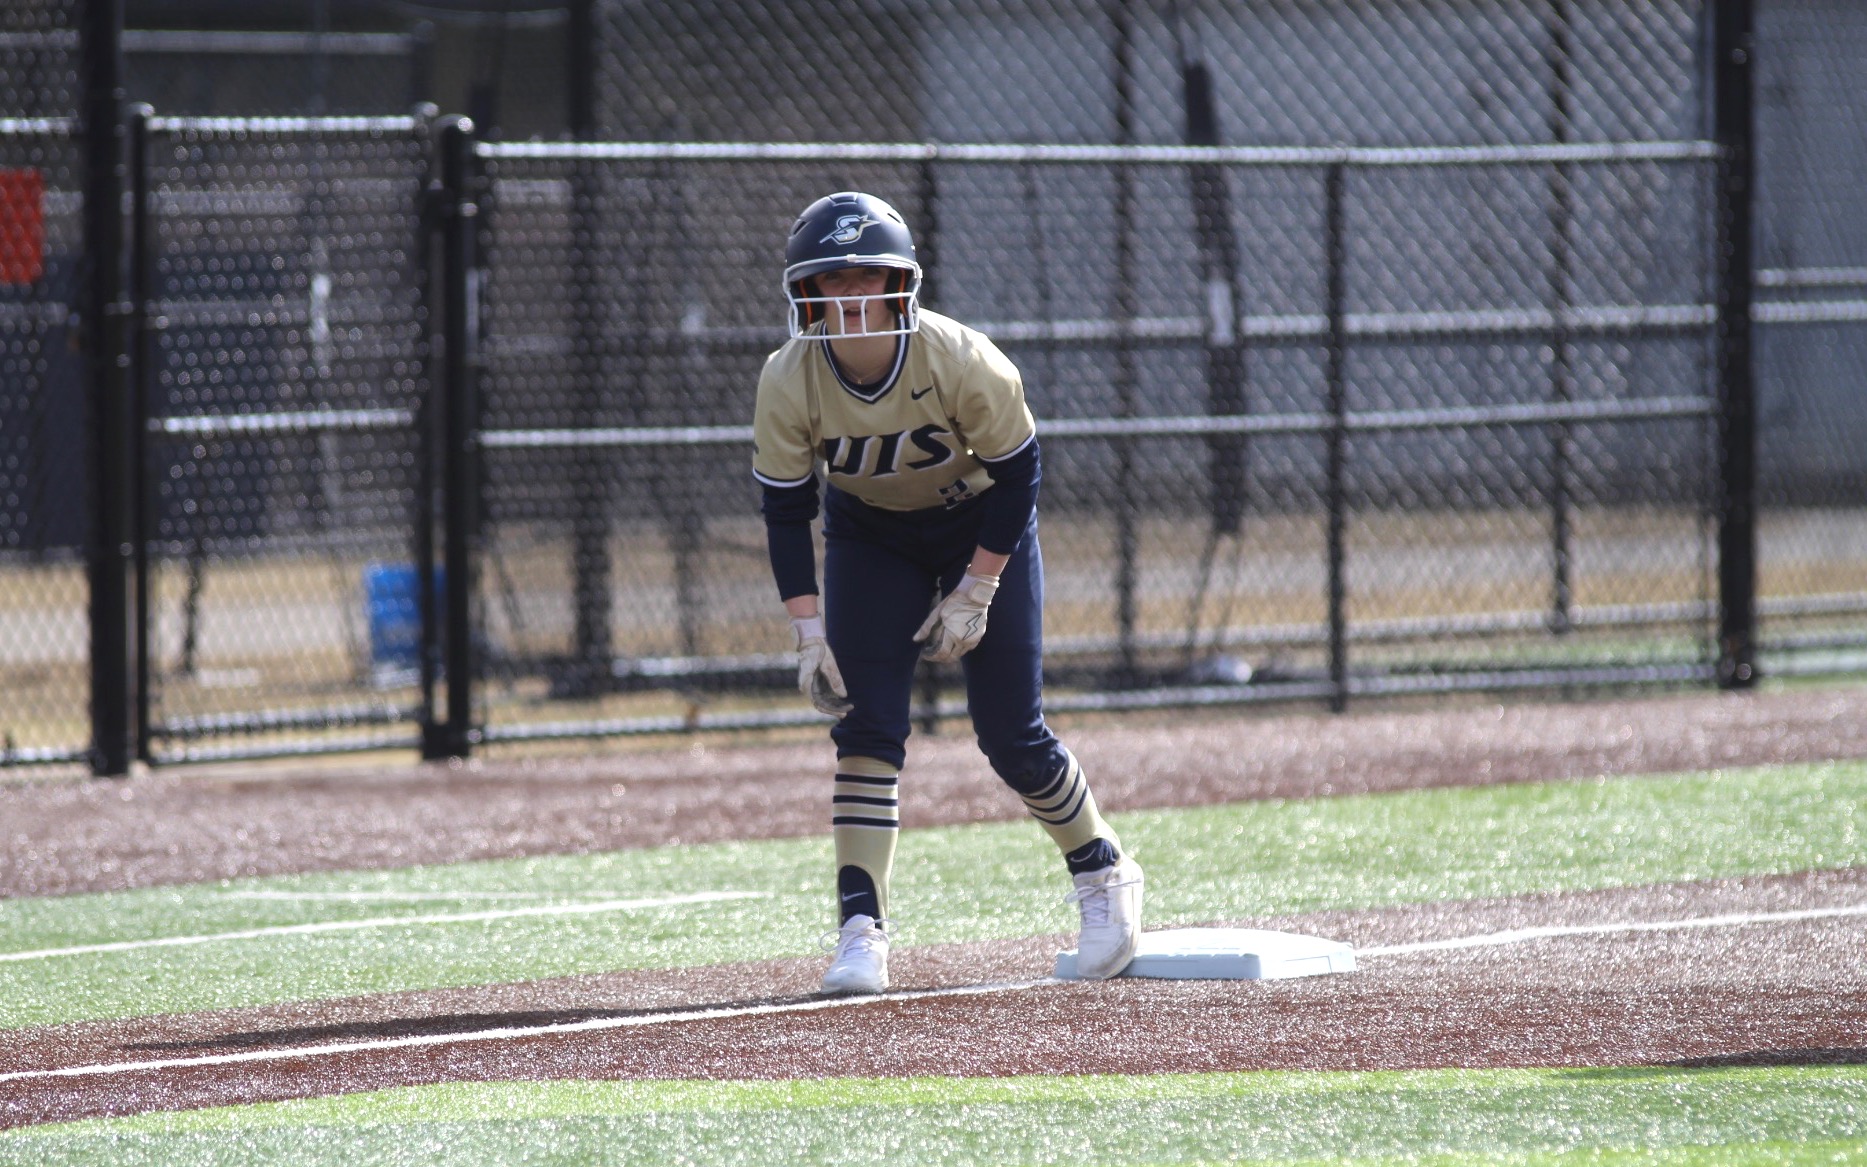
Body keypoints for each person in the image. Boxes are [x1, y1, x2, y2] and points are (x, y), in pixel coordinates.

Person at [750, 191, 1143, 995]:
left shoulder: (961, 357)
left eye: (869, 277)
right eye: (834, 280)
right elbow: (786, 510)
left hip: (976, 527)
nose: (853, 296)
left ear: (901, 284)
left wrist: (978, 585)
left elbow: (1018, 473)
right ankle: (861, 926)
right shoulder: (788, 379)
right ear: (807, 292)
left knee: (1010, 732)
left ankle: (1103, 870)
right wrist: (807, 629)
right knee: (866, 727)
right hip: (870, 535)